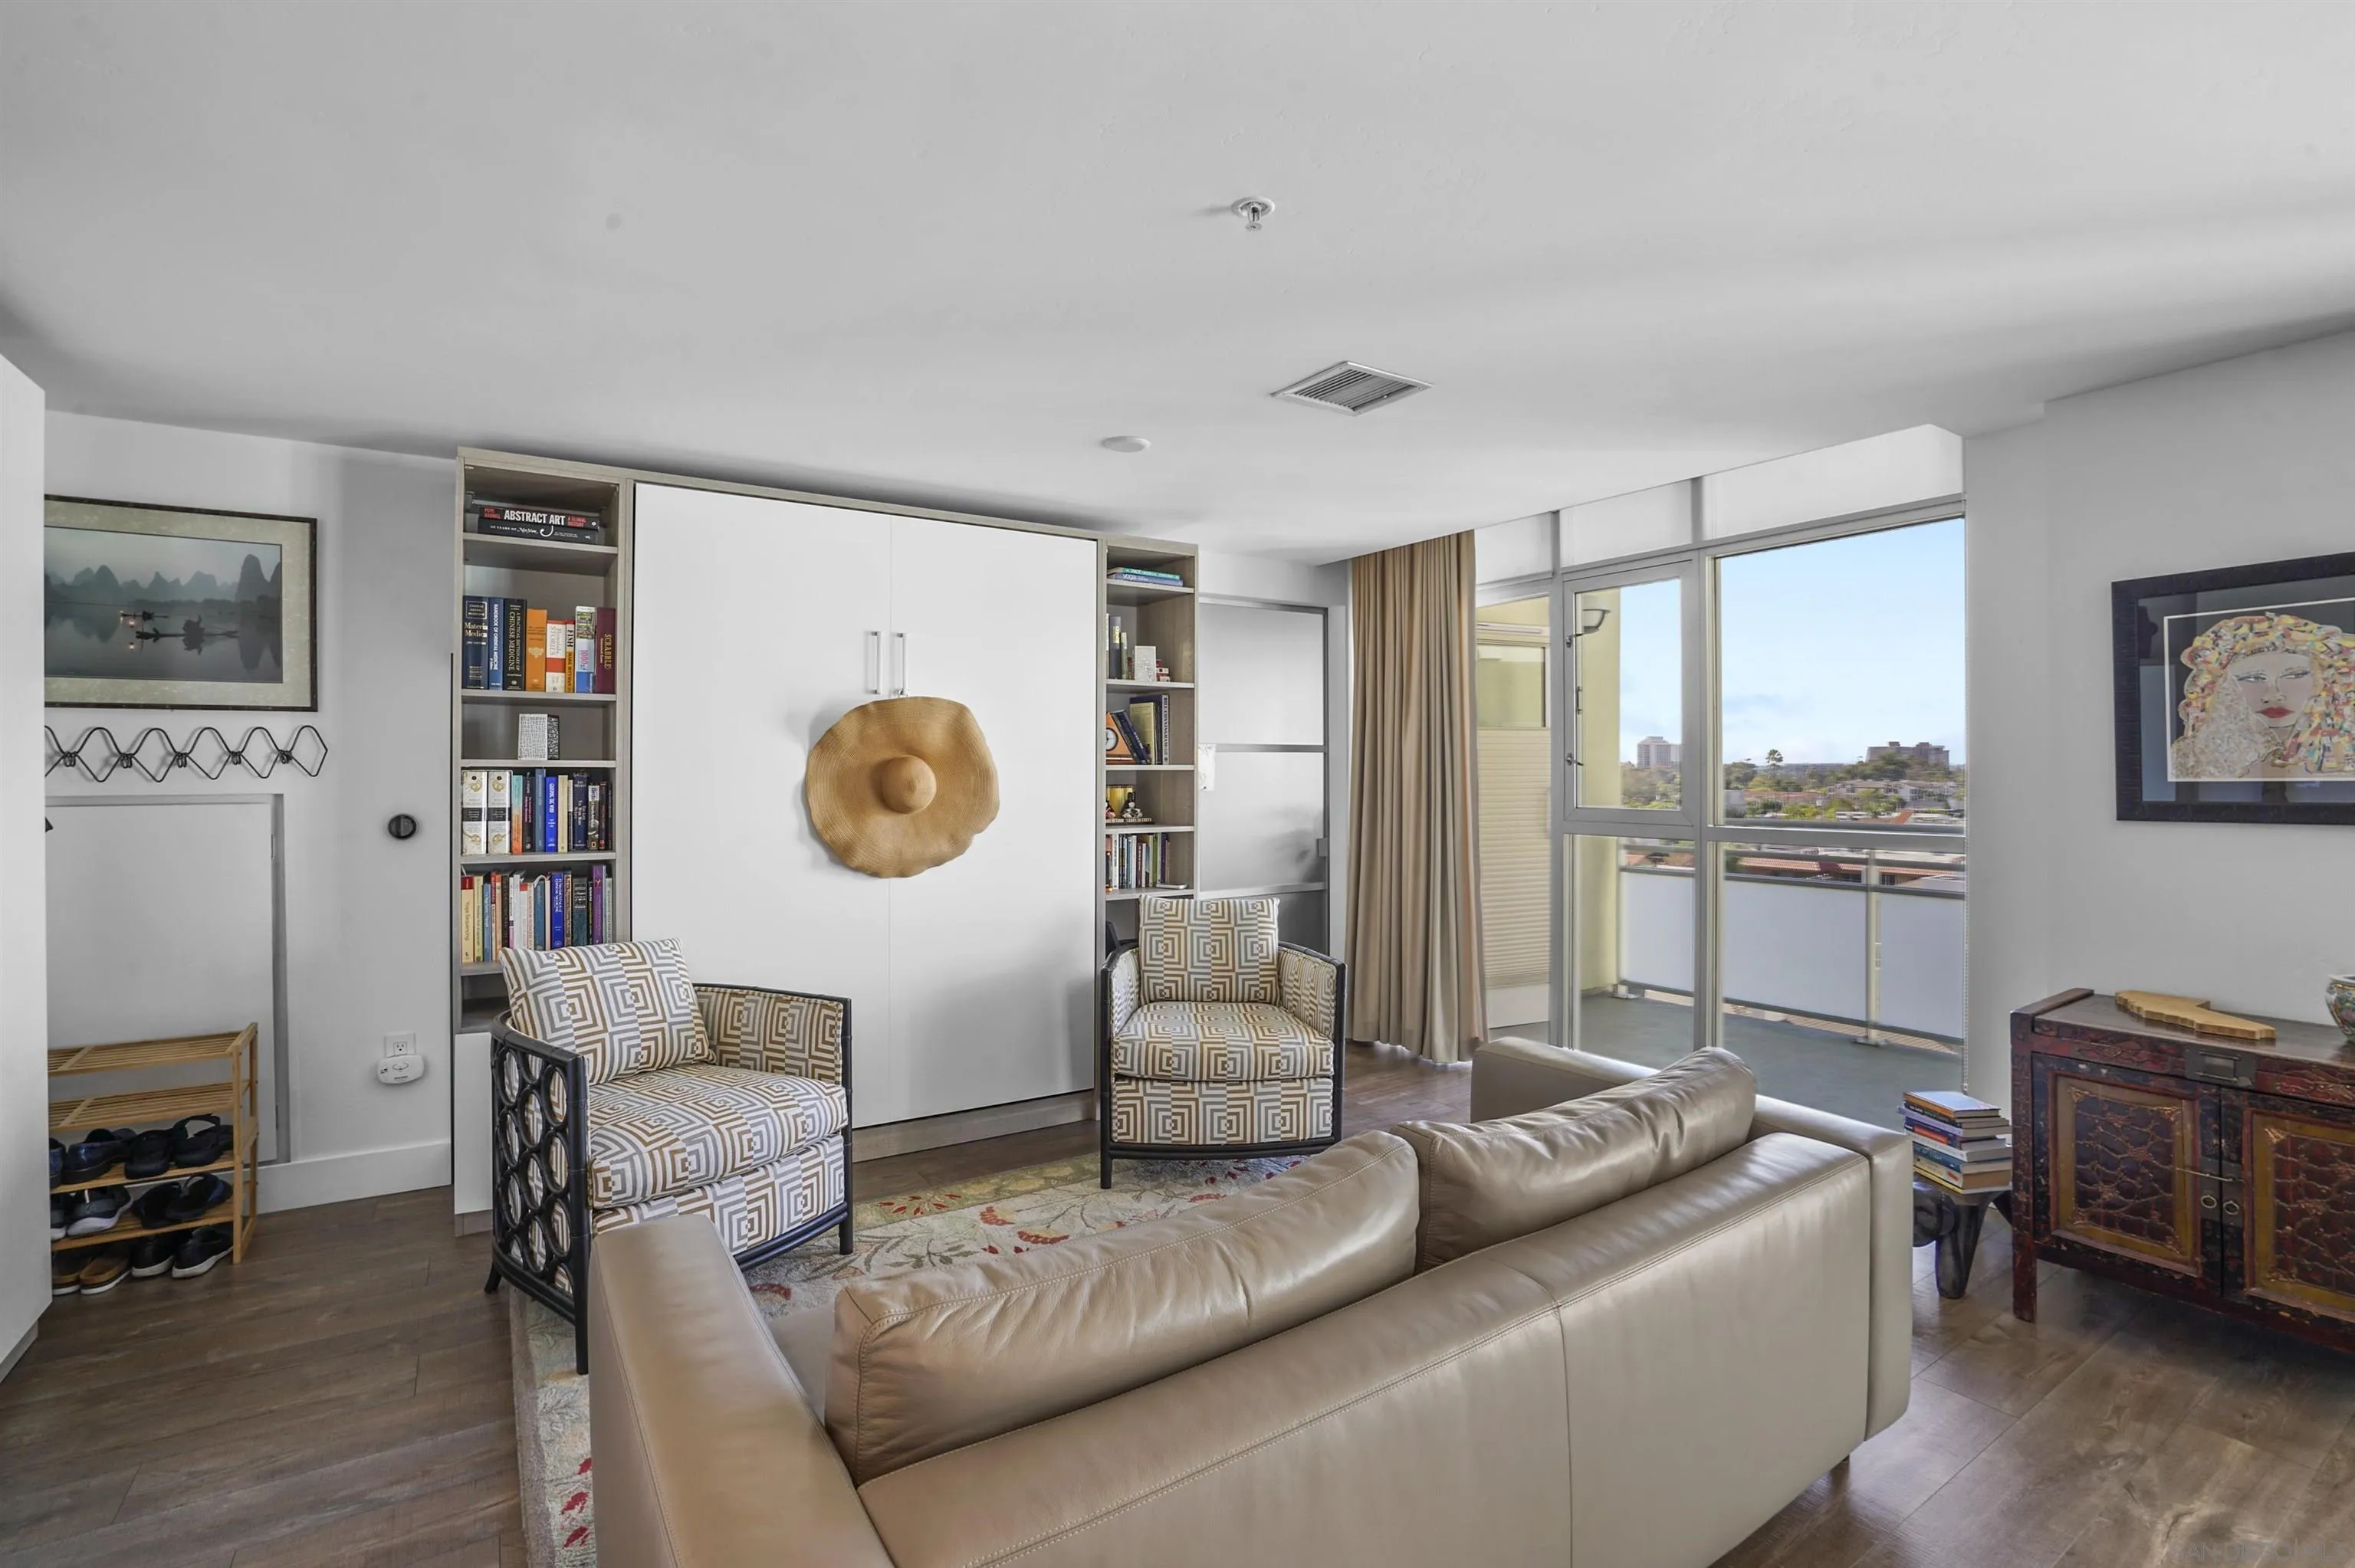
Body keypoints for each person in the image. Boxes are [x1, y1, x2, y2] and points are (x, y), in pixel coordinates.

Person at [2170, 610, 2355, 780]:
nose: (2274, 695)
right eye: (2252, 679)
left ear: (2323, 680)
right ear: (2220, 686)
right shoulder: (2191, 758)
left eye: (2294, 676)